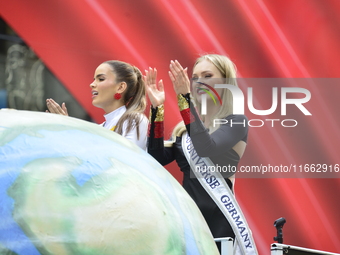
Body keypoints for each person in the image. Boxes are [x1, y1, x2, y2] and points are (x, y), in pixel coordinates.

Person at [145, 54, 258, 254]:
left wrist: (183, 98)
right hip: (189, 221)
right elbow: (155, 156)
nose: (199, 82)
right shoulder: (185, 129)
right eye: (195, 77)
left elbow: (206, 147)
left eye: (207, 75)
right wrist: (157, 108)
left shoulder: (236, 121)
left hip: (219, 222)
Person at [46, 60, 148, 150]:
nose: (92, 84)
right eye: (94, 79)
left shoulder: (135, 120)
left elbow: (129, 159)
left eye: (101, 79)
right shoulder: (99, 128)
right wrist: (67, 129)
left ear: (120, 87)